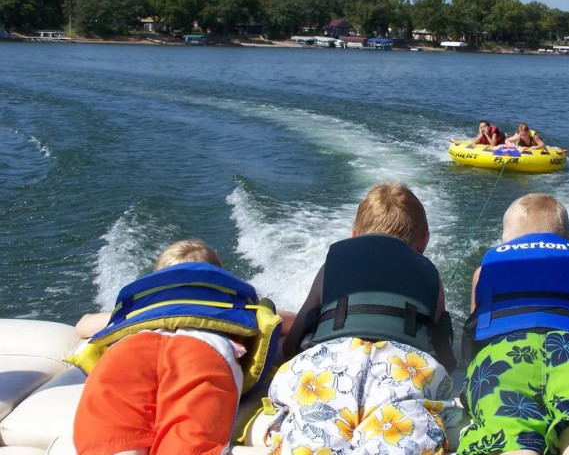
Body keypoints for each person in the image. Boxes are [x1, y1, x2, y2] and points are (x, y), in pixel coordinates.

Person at [267, 182, 459, 455]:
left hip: (330, 364)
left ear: (354, 235)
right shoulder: (431, 277)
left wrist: (288, 352)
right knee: (401, 440)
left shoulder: (331, 265)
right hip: (401, 369)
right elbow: (440, 347)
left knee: (311, 434)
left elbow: (298, 333)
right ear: (424, 240)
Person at [459, 193, 569, 455]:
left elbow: (476, 331)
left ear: (505, 243)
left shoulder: (484, 270)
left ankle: (517, 447)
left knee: (508, 429)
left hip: (504, 354)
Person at [73, 239, 282, 455]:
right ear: (216, 278)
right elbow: (280, 321)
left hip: (129, 349)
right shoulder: (233, 306)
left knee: (112, 441)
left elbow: (83, 326)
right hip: (201, 350)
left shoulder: (139, 312)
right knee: (188, 445)